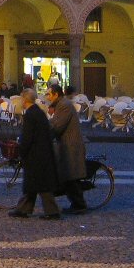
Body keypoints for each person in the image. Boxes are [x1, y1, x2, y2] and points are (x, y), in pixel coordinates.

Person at [8, 88, 61, 219]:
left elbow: (28, 137)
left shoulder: (30, 114)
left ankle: (52, 212)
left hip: (36, 154)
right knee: (35, 184)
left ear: (25, 100)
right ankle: (24, 209)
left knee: (40, 185)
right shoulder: (38, 112)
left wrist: (22, 150)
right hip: (42, 152)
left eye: (21, 98)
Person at [47, 83, 88, 214]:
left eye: (49, 94)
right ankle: (76, 203)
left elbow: (58, 126)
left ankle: (79, 205)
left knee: (71, 176)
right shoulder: (61, 104)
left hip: (71, 145)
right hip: (66, 145)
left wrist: (45, 136)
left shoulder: (64, 105)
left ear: (56, 94)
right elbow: (54, 122)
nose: (47, 97)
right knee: (67, 175)